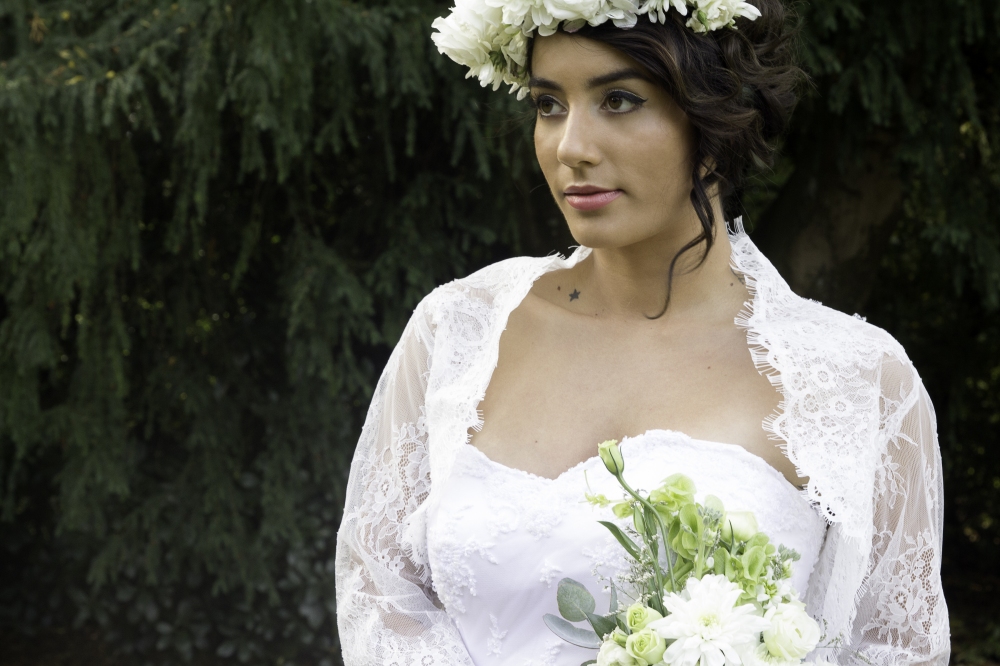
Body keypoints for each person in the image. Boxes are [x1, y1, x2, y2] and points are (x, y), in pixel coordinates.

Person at [335, 1, 950, 664]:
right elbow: (379, 590)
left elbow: (895, 648)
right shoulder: (458, 330)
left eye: (619, 100)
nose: (570, 147)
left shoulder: (858, 380)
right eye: (549, 105)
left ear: (716, 118)